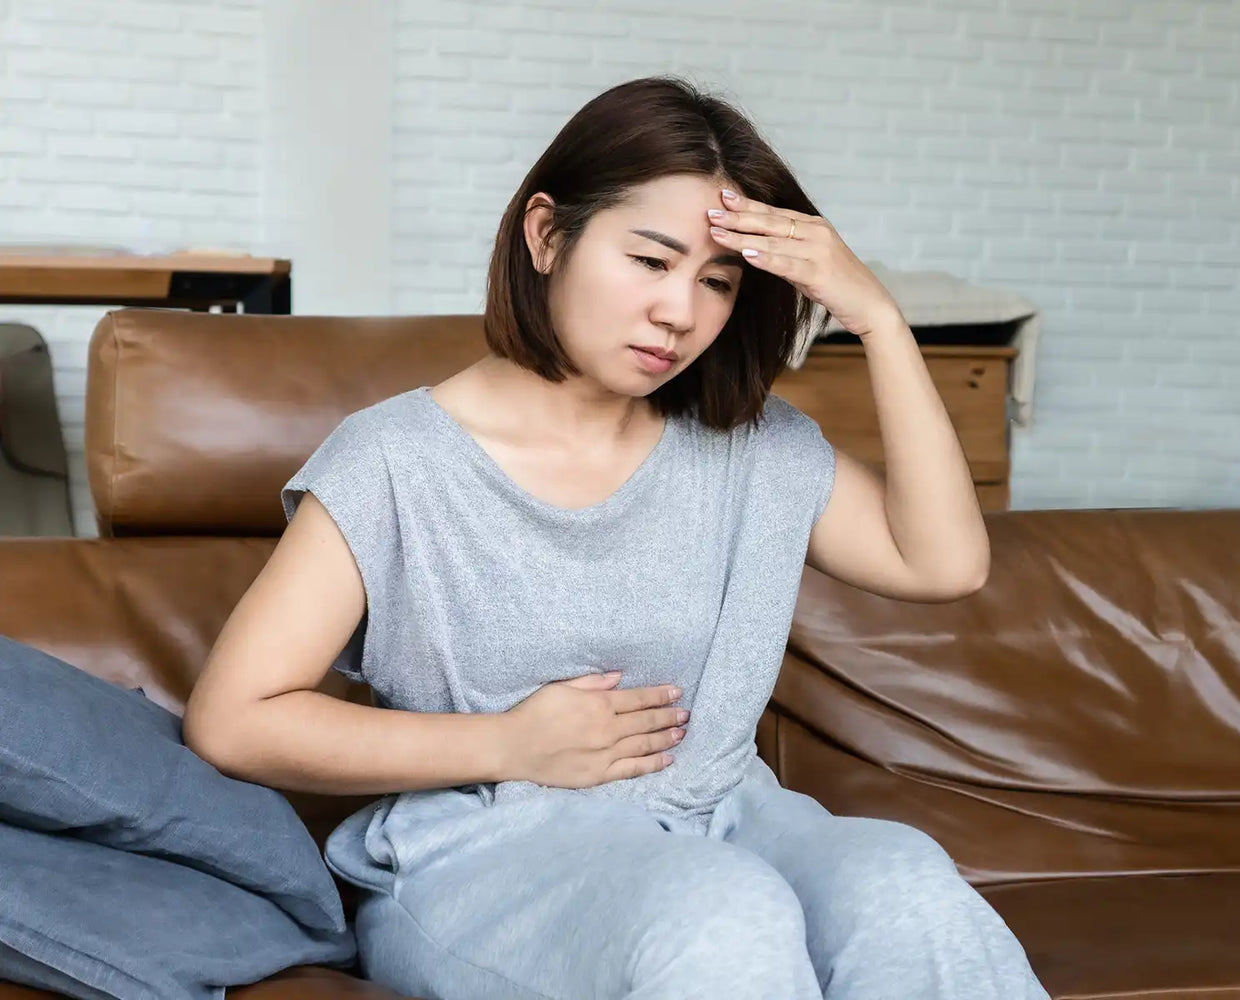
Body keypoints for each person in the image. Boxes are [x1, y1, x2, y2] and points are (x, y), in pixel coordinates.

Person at [183, 76, 1048, 1000]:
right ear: (547, 234)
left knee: (905, 884)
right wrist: (506, 744)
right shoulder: (396, 461)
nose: (681, 313)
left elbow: (946, 563)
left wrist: (876, 319)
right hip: (487, 854)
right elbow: (234, 719)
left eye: (716, 282)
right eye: (650, 261)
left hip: (726, 817)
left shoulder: (752, 445)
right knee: (722, 916)